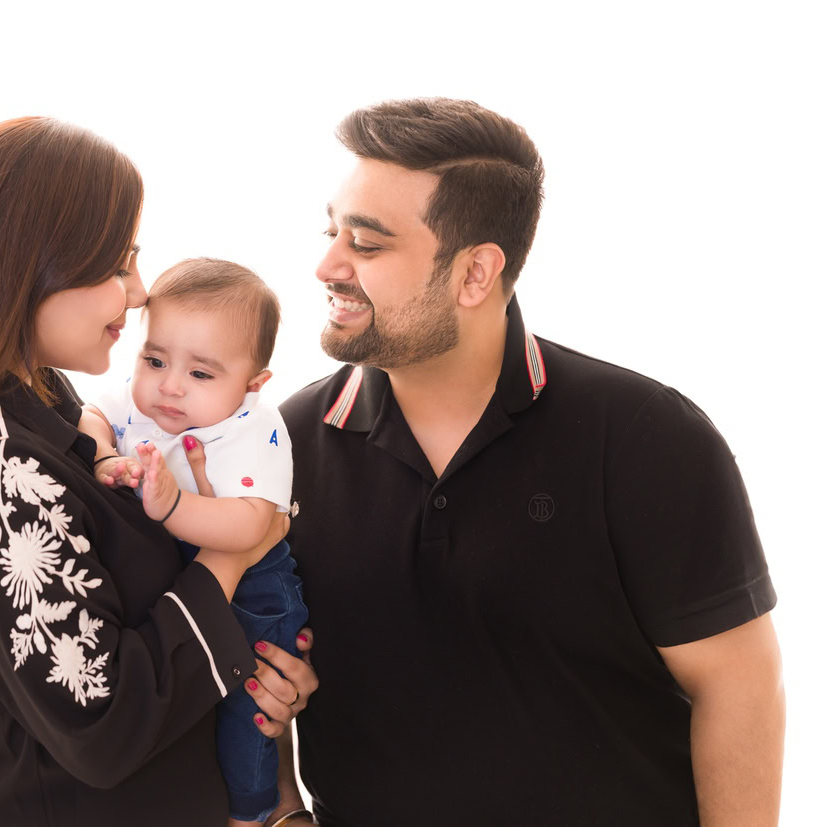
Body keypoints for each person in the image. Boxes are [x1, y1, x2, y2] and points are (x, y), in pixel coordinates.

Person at [268, 98, 784, 826]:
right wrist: (284, 814)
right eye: (332, 231)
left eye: (368, 244)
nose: (327, 264)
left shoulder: (645, 437)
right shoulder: (281, 447)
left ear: (475, 273)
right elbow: (247, 670)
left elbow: (737, 687)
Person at [0, 117, 317, 826]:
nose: (141, 291)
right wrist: (229, 555)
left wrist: (254, 676)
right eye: (117, 265)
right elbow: (103, 723)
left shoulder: (41, 402)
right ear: (28, 268)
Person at [78, 258, 308, 825]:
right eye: (154, 360)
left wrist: (177, 505)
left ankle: (252, 813)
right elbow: (91, 412)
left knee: (246, 711)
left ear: (253, 385)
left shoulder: (256, 429)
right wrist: (104, 454)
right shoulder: (144, 401)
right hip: (188, 579)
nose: (170, 385)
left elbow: (253, 528)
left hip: (254, 592)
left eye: (201, 374)